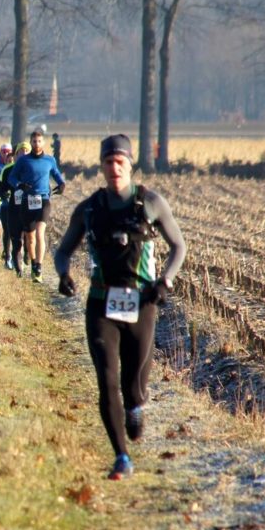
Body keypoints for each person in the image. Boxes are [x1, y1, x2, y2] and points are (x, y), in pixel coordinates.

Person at [53, 134, 186, 481]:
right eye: (108, 162)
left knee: (133, 385)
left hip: (142, 303)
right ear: (101, 166)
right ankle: (121, 457)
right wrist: (64, 274)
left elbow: (179, 247)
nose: (114, 168)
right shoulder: (89, 209)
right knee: (107, 379)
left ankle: (136, 406)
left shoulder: (150, 203)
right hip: (101, 303)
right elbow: (63, 250)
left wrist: (165, 281)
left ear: (130, 164)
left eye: (120, 162)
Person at [7, 130, 65, 283]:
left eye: (39, 141)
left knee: (40, 233)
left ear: (43, 142)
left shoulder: (49, 160)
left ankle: (39, 266)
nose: (36, 144)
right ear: (31, 142)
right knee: (30, 238)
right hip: (27, 201)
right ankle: (33, 264)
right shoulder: (23, 161)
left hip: (44, 200)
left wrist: (62, 184)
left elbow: (56, 174)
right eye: (34, 141)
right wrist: (19, 185)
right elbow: (12, 178)